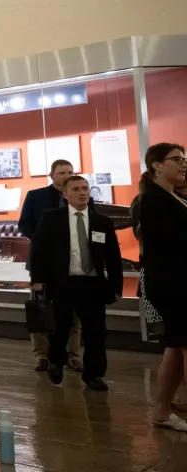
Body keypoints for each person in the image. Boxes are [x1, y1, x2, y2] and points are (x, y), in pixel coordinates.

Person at [28, 176, 122, 390]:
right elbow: (39, 251)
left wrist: (116, 287)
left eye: (85, 188)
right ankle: (57, 361)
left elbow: (113, 258)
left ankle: (94, 374)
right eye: (76, 189)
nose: (82, 193)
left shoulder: (102, 222)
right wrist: (38, 280)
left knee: (96, 331)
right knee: (60, 328)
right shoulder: (52, 218)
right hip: (62, 282)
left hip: (92, 284)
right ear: (65, 194)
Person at [19, 159, 83, 373]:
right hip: (43, 262)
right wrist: (40, 240)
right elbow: (24, 223)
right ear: (52, 175)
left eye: (71, 172)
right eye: (62, 172)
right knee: (41, 309)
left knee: (74, 314)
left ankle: (73, 355)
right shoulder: (36, 197)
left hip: (74, 263)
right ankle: (41, 356)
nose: (67, 175)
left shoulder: (81, 197)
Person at [141, 143, 187, 432]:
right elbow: (170, 244)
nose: (183, 164)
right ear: (157, 165)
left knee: (176, 343)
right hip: (174, 283)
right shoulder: (155, 201)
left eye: (184, 159)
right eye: (177, 159)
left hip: (176, 280)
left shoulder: (173, 198)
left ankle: (161, 410)